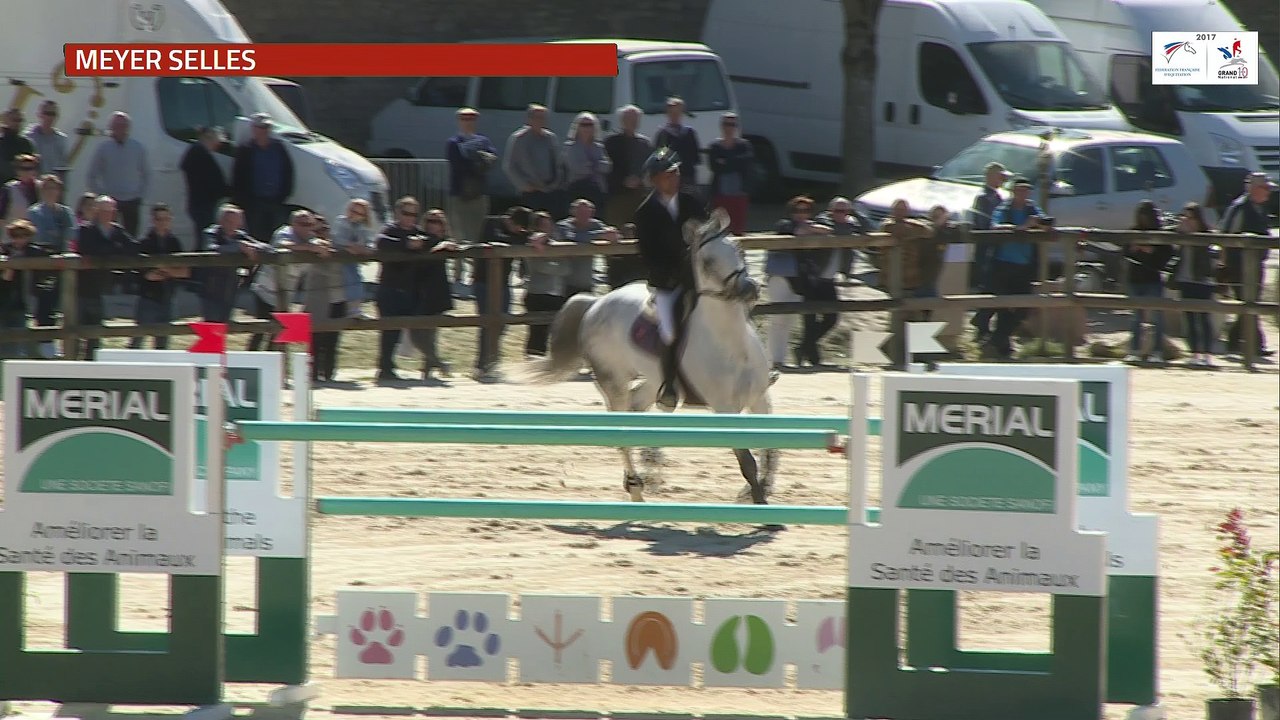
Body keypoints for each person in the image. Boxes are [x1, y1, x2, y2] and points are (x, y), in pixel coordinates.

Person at [632, 147, 709, 408]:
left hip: (700, 279)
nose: (674, 179)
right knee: (669, 330)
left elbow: (707, 235)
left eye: (676, 173)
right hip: (668, 284)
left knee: (734, 302)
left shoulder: (692, 201)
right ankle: (669, 384)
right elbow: (649, 256)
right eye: (667, 175)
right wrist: (677, 272)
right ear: (655, 180)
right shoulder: (645, 213)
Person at [986, 176, 1049, 360]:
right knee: (1004, 307)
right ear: (1013, 191)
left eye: (1026, 190)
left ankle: (996, 340)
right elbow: (995, 226)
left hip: (1025, 265)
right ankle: (1002, 347)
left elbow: (1044, 223)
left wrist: (1042, 225)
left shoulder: (1032, 209)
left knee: (1023, 307)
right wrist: (1022, 227)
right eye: (1020, 190)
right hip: (1003, 264)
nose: (1023, 194)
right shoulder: (1003, 208)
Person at [1217, 172, 1275, 360]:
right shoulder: (1240, 208)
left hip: (1256, 266)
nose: (1268, 192)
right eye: (1265, 188)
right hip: (1239, 266)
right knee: (1249, 303)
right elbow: (1226, 236)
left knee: (1250, 304)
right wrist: (1224, 264)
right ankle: (1255, 345)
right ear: (1253, 189)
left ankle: (1235, 342)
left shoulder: (1259, 208)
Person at [766, 196, 828, 369]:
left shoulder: (812, 226)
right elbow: (798, 232)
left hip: (800, 278)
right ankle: (773, 359)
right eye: (797, 211)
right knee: (778, 319)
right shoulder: (783, 225)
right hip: (781, 275)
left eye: (805, 211)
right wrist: (810, 228)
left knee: (789, 321)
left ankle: (780, 359)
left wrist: (812, 227)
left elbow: (827, 230)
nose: (801, 214)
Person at [470, 205, 531, 382]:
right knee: (487, 323)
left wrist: (520, 237)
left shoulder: (518, 233)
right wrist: (518, 238)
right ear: (511, 221)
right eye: (518, 227)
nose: (519, 231)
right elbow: (496, 240)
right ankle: (483, 365)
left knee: (502, 322)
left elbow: (522, 240)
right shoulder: (491, 222)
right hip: (483, 282)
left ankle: (492, 360)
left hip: (503, 283)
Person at [75, 196, 139, 359]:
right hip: (82, 287)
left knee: (96, 331)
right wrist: (114, 249)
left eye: (110, 211)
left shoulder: (117, 230)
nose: (107, 215)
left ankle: (92, 365)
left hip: (102, 287)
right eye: (103, 211)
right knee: (76, 330)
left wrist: (112, 249)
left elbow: (132, 247)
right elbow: (91, 249)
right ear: (96, 211)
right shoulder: (86, 230)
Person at [247, 209, 312, 352]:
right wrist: (309, 248)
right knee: (261, 328)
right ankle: (252, 359)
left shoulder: (311, 239)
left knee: (278, 332)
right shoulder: (284, 232)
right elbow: (283, 245)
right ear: (293, 224)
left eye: (309, 224)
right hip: (265, 290)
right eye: (302, 224)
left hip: (285, 294)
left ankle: (272, 362)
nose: (306, 227)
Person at [602, 105, 652, 288]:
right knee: (615, 234)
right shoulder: (611, 142)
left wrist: (643, 180)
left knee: (639, 234)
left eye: (636, 119)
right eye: (629, 119)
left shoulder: (644, 143)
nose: (633, 123)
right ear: (622, 121)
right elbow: (605, 168)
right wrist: (622, 180)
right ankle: (614, 277)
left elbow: (649, 167)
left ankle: (639, 274)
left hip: (639, 197)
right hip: (617, 197)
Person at [129, 203, 189, 349]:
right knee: (138, 338)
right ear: (153, 221)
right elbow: (145, 274)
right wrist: (168, 271)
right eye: (159, 219)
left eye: (166, 219)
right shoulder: (145, 243)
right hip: (148, 297)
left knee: (163, 341)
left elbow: (185, 271)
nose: (163, 223)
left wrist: (163, 269)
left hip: (168, 296)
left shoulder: (174, 243)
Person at [26, 174, 74, 357]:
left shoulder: (65, 212)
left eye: (54, 188)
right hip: (42, 263)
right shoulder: (35, 212)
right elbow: (39, 235)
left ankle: (59, 342)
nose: (51, 192)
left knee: (61, 303)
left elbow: (71, 234)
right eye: (47, 188)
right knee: (43, 304)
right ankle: (44, 344)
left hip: (62, 262)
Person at [1123, 200, 1176, 364]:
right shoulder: (1133, 231)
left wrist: (1150, 250)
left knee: (1157, 318)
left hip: (1152, 278)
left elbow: (1166, 256)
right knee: (1135, 318)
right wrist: (1132, 249)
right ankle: (1134, 350)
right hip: (1135, 279)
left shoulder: (1160, 233)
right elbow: (1125, 252)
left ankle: (1157, 351)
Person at [232, 113, 295, 248]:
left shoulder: (279, 148)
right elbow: (238, 178)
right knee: (256, 239)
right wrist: (243, 201)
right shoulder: (245, 150)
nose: (264, 130)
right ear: (253, 128)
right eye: (261, 127)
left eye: (267, 127)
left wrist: (284, 194)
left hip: (276, 201)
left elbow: (288, 172)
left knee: (278, 237)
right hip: (254, 204)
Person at [201, 203, 271, 325]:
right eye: (229, 221)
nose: (232, 225)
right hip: (211, 290)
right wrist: (238, 247)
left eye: (236, 222)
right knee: (211, 328)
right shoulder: (211, 233)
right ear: (221, 221)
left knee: (224, 326)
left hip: (230, 290)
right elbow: (211, 249)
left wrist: (251, 246)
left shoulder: (240, 236)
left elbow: (267, 248)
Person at [298, 215, 348, 383]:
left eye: (325, 229)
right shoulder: (307, 246)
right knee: (315, 340)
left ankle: (328, 373)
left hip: (337, 296)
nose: (322, 234)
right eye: (318, 230)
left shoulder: (337, 244)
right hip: (317, 299)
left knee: (332, 340)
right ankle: (312, 374)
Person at [1171, 203, 1220, 368]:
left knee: (1204, 319)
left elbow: (1213, 257)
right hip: (1186, 281)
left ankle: (1207, 353)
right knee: (1190, 319)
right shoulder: (1180, 235)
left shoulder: (1207, 236)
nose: (1187, 221)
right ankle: (1194, 353)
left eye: (1190, 218)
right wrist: (1180, 232)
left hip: (1203, 282)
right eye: (1185, 217)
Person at [413, 208, 460, 380]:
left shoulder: (446, 242)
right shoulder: (419, 238)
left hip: (436, 290)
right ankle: (440, 364)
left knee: (430, 333)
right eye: (431, 221)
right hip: (418, 289)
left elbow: (455, 247)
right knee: (416, 332)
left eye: (438, 221)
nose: (434, 225)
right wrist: (436, 248)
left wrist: (443, 246)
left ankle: (428, 369)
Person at [86, 112, 149, 236]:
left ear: (128, 127)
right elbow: (91, 175)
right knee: (110, 235)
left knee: (131, 237)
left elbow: (147, 174)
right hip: (110, 203)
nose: (120, 128)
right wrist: (102, 196)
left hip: (132, 200)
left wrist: (141, 195)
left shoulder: (138, 148)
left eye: (123, 125)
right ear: (111, 127)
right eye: (116, 125)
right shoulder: (103, 148)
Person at [968, 161, 1010, 342]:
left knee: (994, 287)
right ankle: (981, 324)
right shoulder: (984, 198)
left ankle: (982, 322)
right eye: (1000, 176)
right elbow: (983, 224)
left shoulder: (997, 197)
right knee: (988, 286)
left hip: (995, 248)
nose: (1002, 180)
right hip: (987, 249)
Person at [0, 219, 52, 358]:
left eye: (23, 236)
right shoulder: (5, 250)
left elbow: (44, 270)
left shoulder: (34, 251)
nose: (19, 239)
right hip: (4, 299)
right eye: (15, 235)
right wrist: (10, 263)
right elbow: (5, 278)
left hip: (22, 301)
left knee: (19, 337)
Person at [523, 210, 571, 357]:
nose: (547, 227)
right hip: (538, 293)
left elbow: (567, 268)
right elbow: (539, 267)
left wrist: (555, 265)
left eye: (549, 224)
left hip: (556, 293)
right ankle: (533, 360)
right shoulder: (531, 243)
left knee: (558, 329)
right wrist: (557, 265)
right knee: (537, 331)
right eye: (543, 225)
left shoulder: (556, 244)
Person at [503, 104, 564, 217]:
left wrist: (556, 183)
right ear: (529, 119)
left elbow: (557, 163)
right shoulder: (519, 138)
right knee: (531, 221)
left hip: (549, 188)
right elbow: (509, 166)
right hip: (530, 189)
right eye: (537, 117)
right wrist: (524, 185)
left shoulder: (550, 138)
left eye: (543, 118)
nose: (541, 120)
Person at [556, 197, 618, 297]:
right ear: (573, 212)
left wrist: (612, 234)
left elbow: (611, 234)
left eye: (587, 212)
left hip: (587, 281)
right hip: (566, 282)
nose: (584, 215)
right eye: (580, 212)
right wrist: (600, 235)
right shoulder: (564, 225)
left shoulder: (596, 224)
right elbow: (572, 237)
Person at [181, 126, 231, 251]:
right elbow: (209, 180)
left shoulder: (199, 152)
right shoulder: (198, 153)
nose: (217, 145)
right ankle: (199, 267)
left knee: (203, 236)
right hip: (202, 204)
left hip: (202, 203)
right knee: (204, 237)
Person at [707, 112, 755, 235]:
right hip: (720, 193)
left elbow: (747, 162)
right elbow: (714, 167)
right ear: (721, 126)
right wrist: (735, 161)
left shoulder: (744, 145)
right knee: (720, 228)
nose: (729, 127)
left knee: (738, 228)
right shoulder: (714, 146)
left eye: (732, 124)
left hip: (740, 193)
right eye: (726, 124)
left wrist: (725, 161)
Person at [331, 198, 378, 318]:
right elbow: (337, 238)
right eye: (352, 211)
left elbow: (370, 242)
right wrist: (350, 246)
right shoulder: (342, 221)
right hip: (339, 256)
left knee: (356, 281)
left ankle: (355, 309)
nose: (354, 215)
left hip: (353, 260)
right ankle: (351, 309)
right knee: (349, 280)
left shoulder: (363, 228)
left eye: (359, 213)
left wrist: (365, 249)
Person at [561, 112, 611, 212]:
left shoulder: (598, 147)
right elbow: (576, 168)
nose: (587, 128)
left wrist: (592, 165)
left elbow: (607, 166)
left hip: (597, 189)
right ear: (577, 127)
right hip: (577, 188)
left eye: (590, 125)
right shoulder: (570, 147)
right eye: (583, 125)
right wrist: (597, 165)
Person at [652, 98, 701, 195]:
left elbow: (695, 158)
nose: (675, 115)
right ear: (667, 114)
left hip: (687, 178)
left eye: (677, 112)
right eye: (672, 112)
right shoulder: (663, 134)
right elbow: (659, 156)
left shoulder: (689, 133)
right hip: (669, 180)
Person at [23, 100, 69, 179]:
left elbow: (63, 167)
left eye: (53, 114)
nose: (49, 117)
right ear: (39, 114)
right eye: (47, 113)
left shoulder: (61, 139)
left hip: (52, 186)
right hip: (32, 185)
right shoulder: (28, 137)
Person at [0, 109, 36, 185]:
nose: (18, 123)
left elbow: (31, 167)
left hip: (20, 188)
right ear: (6, 121)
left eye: (20, 120)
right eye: (14, 120)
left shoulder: (26, 143)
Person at [1, 154, 40, 222]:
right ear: (17, 171)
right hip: (14, 231)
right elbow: (1, 215)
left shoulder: (42, 187)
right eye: (23, 169)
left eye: (30, 168)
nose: (27, 172)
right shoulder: (9, 189)